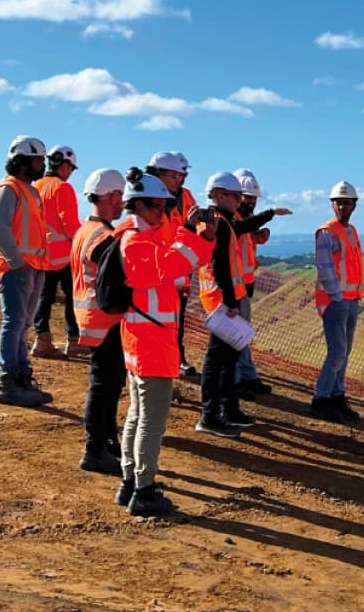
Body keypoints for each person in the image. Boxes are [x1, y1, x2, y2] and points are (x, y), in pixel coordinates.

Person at [114, 168, 214, 518]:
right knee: (151, 422)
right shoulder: (135, 242)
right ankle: (143, 490)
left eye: (165, 206)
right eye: (158, 206)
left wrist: (198, 235)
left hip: (143, 339)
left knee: (137, 414)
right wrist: (191, 232)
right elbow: (173, 265)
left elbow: (182, 259)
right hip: (150, 343)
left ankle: (129, 481)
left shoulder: (140, 236)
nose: (163, 212)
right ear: (139, 204)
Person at [70, 167, 127, 475]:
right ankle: (95, 450)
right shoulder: (102, 236)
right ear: (110, 196)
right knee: (105, 384)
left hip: (94, 317)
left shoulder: (86, 229)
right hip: (104, 319)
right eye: (120, 196)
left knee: (109, 382)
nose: (123, 203)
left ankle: (106, 442)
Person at [0, 136, 52, 408]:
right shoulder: (9, 189)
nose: (42, 165)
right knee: (14, 322)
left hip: (33, 268)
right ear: (22, 161)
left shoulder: (31, 192)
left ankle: (22, 377)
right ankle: (7, 382)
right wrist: (17, 262)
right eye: (38, 160)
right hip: (17, 269)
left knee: (23, 324)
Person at [193, 171, 251, 439]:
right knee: (218, 360)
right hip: (221, 302)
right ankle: (210, 415)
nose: (239, 201)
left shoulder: (222, 221)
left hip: (221, 299)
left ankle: (228, 409)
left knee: (229, 357)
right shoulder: (218, 223)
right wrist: (230, 302)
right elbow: (220, 265)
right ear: (219, 195)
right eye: (235, 196)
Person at [229, 169, 292, 397]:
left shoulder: (244, 218)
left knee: (243, 332)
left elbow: (247, 240)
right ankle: (237, 380)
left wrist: (257, 236)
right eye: (248, 197)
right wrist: (270, 214)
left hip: (245, 281)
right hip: (234, 284)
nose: (251, 202)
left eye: (254, 198)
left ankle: (247, 375)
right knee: (236, 334)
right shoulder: (233, 219)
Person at [310, 180, 363, 422]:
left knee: (345, 352)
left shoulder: (351, 231)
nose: (342, 207)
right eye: (338, 202)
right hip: (336, 301)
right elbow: (324, 267)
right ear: (332, 205)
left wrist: (353, 295)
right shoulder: (326, 232)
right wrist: (336, 296)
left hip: (351, 299)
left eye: (346, 203)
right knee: (337, 351)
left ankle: (336, 395)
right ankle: (321, 399)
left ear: (354, 205)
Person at [145, 151, 199, 380]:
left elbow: (195, 226)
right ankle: (162, 363)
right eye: (176, 175)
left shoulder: (185, 197)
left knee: (176, 318)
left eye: (182, 174)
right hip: (158, 269)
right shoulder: (150, 199)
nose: (181, 179)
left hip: (179, 267)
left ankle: (176, 359)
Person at [33, 145, 83, 360]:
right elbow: (69, 223)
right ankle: (74, 340)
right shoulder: (63, 187)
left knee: (44, 297)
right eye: (71, 168)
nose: (70, 173)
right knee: (73, 296)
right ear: (64, 166)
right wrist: (82, 243)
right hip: (63, 255)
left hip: (39, 252)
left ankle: (41, 340)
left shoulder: (35, 186)